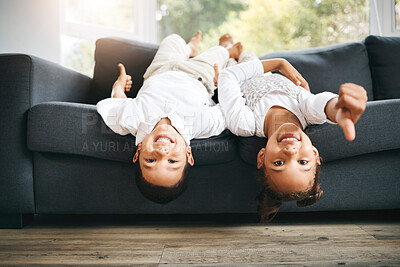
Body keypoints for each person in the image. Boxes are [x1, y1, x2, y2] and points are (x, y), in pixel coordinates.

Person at [215, 37, 367, 223]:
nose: (291, 151)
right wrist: (339, 110)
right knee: (248, 57)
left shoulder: (245, 123)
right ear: (314, 154)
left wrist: (279, 63)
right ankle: (235, 50)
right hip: (261, 71)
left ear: (262, 157)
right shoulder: (307, 110)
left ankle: (225, 48)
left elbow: (228, 76)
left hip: (236, 75)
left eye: (278, 163)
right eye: (303, 162)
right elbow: (323, 105)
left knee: (226, 61)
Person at [96, 31, 243, 204]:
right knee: (221, 53)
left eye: (151, 160)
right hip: (199, 75)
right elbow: (230, 110)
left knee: (172, 39)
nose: (162, 152)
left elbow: (115, 103)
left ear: (138, 153)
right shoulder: (202, 124)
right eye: (172, 161)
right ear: (189, 155)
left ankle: (190, 48)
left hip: (160, 70)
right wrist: (224, 83)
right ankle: (227, 49)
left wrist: (118, 85)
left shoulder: (130, 120)